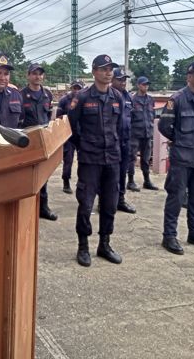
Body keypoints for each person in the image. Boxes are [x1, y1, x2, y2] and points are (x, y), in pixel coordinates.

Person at [68, 54, 124, 267]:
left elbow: (120, 128)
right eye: (103, 69)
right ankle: (83, 246)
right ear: (94, 72)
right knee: (86, 204)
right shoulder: (82, 97)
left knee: (110, 204)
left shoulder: (117, 97)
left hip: (112, 158)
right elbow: (71, 128)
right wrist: (84, 147)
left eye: (110, 69)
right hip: (90, 160)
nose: (108, 72)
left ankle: (105, 244)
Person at [158, 60, 194, 255]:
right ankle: (169, 236)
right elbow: (164, 126)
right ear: (189, 77)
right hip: (182, 157)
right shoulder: (177, 99)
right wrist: (180, 141)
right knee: (176, 197)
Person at [20, 63, 57, 220]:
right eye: (34, 74)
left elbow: (49, 115)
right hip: (26, 141)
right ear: (28, 76)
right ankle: (26, 209)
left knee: (43, 175)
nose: (38, 77)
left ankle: (43, 207)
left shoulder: (47, 94)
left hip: (42, 140)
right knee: (26, 176)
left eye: (40, 74)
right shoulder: (20, 95)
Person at [112, 67, 137, 214]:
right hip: (110, 142)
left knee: (122, 173)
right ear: (113, 80)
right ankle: (105, 201)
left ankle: (120, 200)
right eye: (119, 79)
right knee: (108, 174)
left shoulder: (128, 97)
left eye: (124, 80)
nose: (123, 82)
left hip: (125, 141)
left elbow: (131, 119)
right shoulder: (109, 95)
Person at [128, 76, 159, 191]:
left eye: (147, 84)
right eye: (143, 84)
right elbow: (129, 118)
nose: (146, 86)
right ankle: (130, 181)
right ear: (138, 85)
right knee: (132, 158)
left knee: (146, 159)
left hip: (147, 134)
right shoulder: (132, 100)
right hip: (135, 134)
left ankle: (147, 181)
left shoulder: (151, 100)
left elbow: (153, 116)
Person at [56, 80, 83, 194]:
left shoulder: (84, 99)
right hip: (68, 134)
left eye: (78, 88)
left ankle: (82, 182)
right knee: (68, 160)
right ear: (71, 88)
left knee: (84, 160)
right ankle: (66, 182)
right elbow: (58, 117)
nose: (76, 90)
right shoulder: (64, 100)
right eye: (74, 88)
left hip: (81, 134)